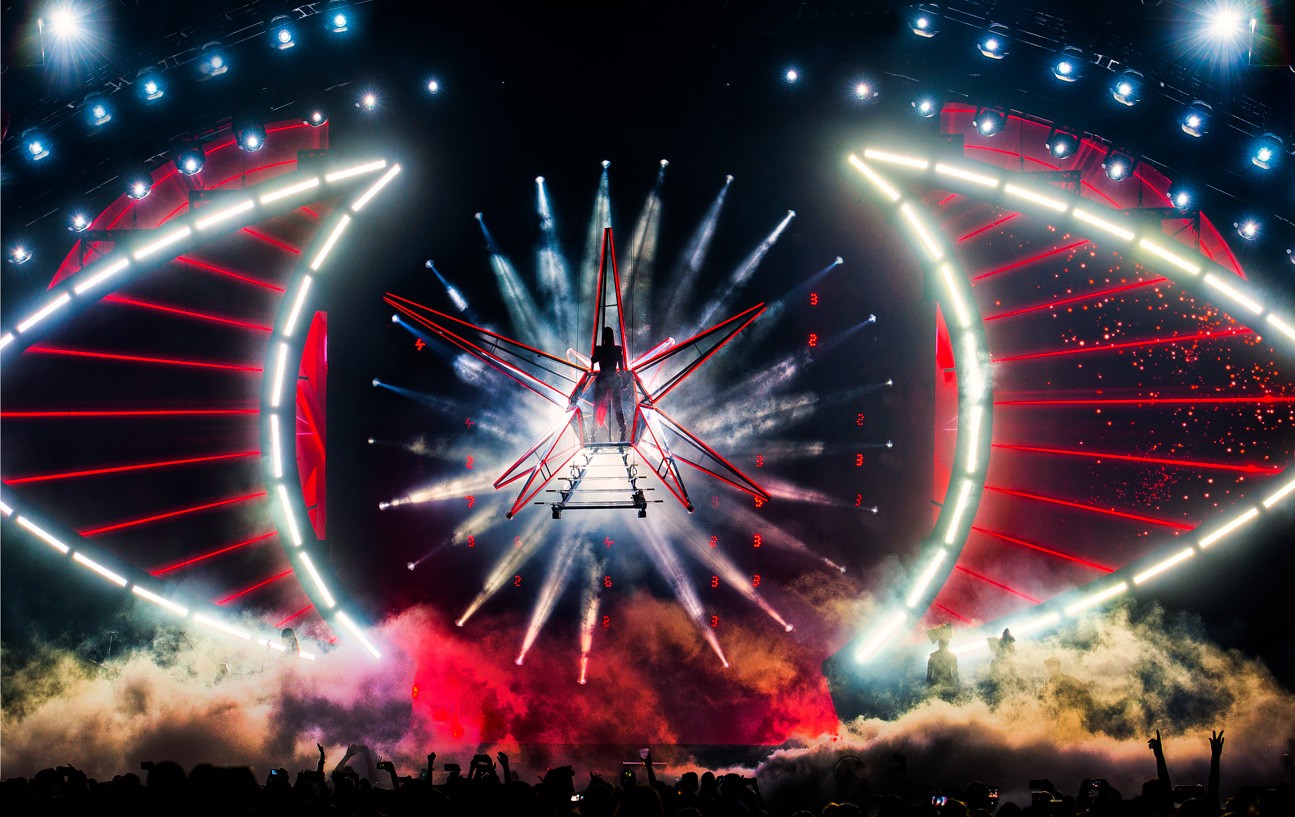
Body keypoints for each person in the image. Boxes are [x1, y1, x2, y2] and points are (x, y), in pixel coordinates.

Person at [592, 325, 627, 442]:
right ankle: (594, 431)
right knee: (602, 406)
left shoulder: (615, 349)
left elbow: (621, 367)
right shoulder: (604, 349)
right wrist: (601, 353)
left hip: (609, 379)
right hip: (606, 379)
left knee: (615, 407)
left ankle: (622, 430)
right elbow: (593, 360)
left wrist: (624, 380)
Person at [926, 623, 959, 700]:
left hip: (940, 683)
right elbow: (955, 673)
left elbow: (929, 675)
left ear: (939, 644)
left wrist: (929, 687)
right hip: (944, 683)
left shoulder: (933, 655)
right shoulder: (952, 656)